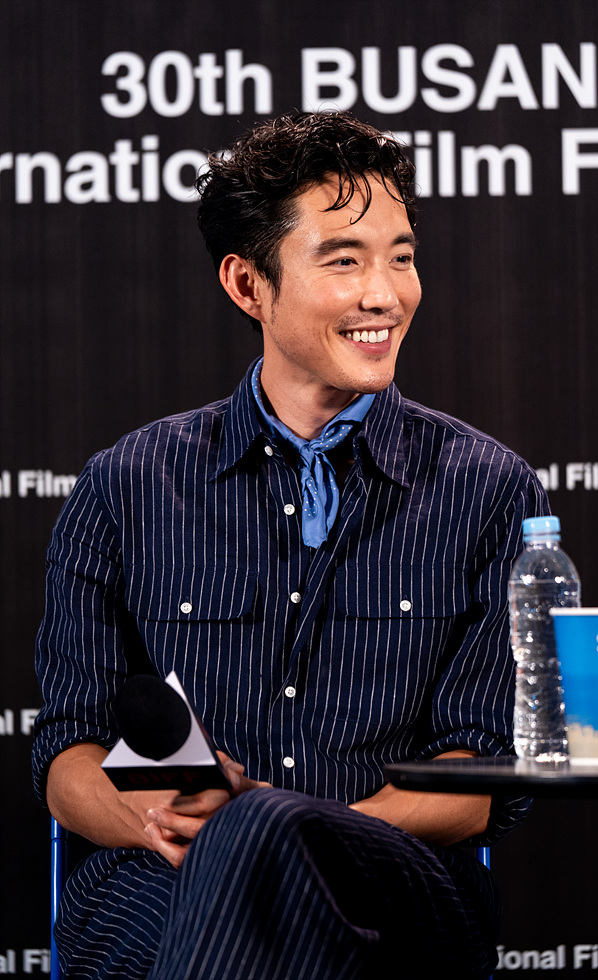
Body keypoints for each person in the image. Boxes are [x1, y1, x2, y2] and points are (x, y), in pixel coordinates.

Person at [33, 111, 548, 980]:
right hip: (157, 878)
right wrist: (159, 822)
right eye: (344, 260)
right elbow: (69, 751)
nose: (384, 294)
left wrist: (281, 832)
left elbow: (482, 777)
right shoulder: (125, 485)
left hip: (392, 882)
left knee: (262, 840)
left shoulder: (490, 491)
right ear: (248, 285)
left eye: (400, 257)